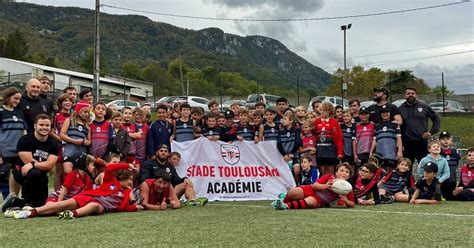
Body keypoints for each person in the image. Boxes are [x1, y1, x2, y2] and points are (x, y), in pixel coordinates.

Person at [11, 162, 141, 219]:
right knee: (63, 204)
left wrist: (134, 203)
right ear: (121, 178)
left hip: (102, 207)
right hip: (88, 196)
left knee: (94, 206)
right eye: (129, 179)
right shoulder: (110, 182)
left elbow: (124, 208)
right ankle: (32, 212)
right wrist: (126, 165)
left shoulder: (125, 193)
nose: (131, 182)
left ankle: (72, 214)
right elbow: (110, 168)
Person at [3, 114, 59, 210]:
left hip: (41, 175)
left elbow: (49, 165)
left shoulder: (53, 143)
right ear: (35, 126)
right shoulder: (25, 140)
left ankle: (15, 202)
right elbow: (27, 162)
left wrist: (34, 164)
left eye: (47, 125)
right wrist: (37, 165)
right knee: (34, 172)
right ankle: (27, 202)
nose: (44, 128)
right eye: (41, 125)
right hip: (21, 171)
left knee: (40, 204)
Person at [139, 144, 206, 206]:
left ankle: (192, 201)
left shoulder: (170, 167)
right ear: (157, 153)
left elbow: (177, 180)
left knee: (186, 183)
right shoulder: (148, 164)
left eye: (165, 151)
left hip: (167, 193)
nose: (163, 153)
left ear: (168, 154)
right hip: (153, 193)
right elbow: (143, 180)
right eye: (161, 151)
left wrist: (185, 178)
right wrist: (159, 183)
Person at [271, 163, 354, 210]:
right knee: (294, 192)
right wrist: (325, 186)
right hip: (312, 190)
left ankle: (285, 206)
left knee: (310, 202)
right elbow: (315, 186)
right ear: (336, 173)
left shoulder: (347, 188)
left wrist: (346, 201)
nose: (344, 173)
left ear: (349, 176)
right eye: (342, 171)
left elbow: (352, 204)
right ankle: (283, 199)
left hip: (320, 200)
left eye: (347, 172)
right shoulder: (329, 177)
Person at [399, 87, 440, 164]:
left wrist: (431, 132)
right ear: (405, 96)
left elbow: (436, 118)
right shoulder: (400, 108)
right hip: (406, 143)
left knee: (425, 167)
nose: (410, 95)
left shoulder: (424, 106)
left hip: (421, 142)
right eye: (408, 93)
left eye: (412, 93)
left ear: (416, 95)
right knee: (406, 168)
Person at [0, 87, 27, 201]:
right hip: (5, 150)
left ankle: (14, 198)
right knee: (3, 175)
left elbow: (24, 130)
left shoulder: (19, 112)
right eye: (15, 98)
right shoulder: (1, 112)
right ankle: (7, 199)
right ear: (8, 97)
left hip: (18, 151)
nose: (17, 101)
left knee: (17, 175)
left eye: (19, 99)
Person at [60, 100, 91, 175]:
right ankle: (65, 186)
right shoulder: (69, 121)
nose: (87, 114)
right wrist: (74, 141)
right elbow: (62, 135)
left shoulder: (87, 126)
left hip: (81, 152)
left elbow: (89, 141)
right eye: (85, 112)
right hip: (69, 152)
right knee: (68, 171)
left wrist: (87, 142)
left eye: (88, 112)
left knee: (79, 173)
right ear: (78, 111)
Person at [50, 93, 74, 191]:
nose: (68, 103)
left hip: (72, 146)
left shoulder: (74, 117)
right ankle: (56, 193)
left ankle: (67, 192)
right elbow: (51, 132)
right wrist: (62, 139)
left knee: (68, 171)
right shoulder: (56, 116)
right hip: (60, 146)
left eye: (70, 101)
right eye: (65, 101)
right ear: (60, 103)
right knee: (59, 172)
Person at [313, 102, 344, 176]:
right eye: (321, 110)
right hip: (320, 150)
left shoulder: (334, 122)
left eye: (324, 110)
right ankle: (323, 186)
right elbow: (313, 133)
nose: (322, 112)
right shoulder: (317, 121)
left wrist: (340, 152)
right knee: (322, 171)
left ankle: (331, 186)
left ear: (329, 111)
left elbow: (339, 137)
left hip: (331, 150)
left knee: (330, 172)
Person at [370, 105, 403, 171]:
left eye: (387, 112)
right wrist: (371, 152)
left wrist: (400, 151)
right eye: (383, 113)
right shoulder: (377, 126)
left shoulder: (395, 125)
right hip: (380, 154)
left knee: (392, 171)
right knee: (381, 172)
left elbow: (399, 139)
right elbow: (374, 140)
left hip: (392, 153)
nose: (385, 114)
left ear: (390, 113)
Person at [277, 112, 302, 183]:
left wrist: (292, 153)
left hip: (294, 154)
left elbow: (298, 142)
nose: (283, 121)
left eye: (285, 119)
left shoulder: (296, 130)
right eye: (283, 119)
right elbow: (279, 144)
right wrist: (284, 154)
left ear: (291, 121)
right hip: (284, 156)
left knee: (297, 171)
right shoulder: (281, 131)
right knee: (285, 173)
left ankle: (296, 185)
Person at [438, 131, 460, 200]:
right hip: (441, 183)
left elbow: (456, 164)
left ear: (451, 140)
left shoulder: (455, 152)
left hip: (452, 183)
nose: (445, 141)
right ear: (439, 141)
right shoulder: (437, 152)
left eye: (447, 139)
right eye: (443, 139)